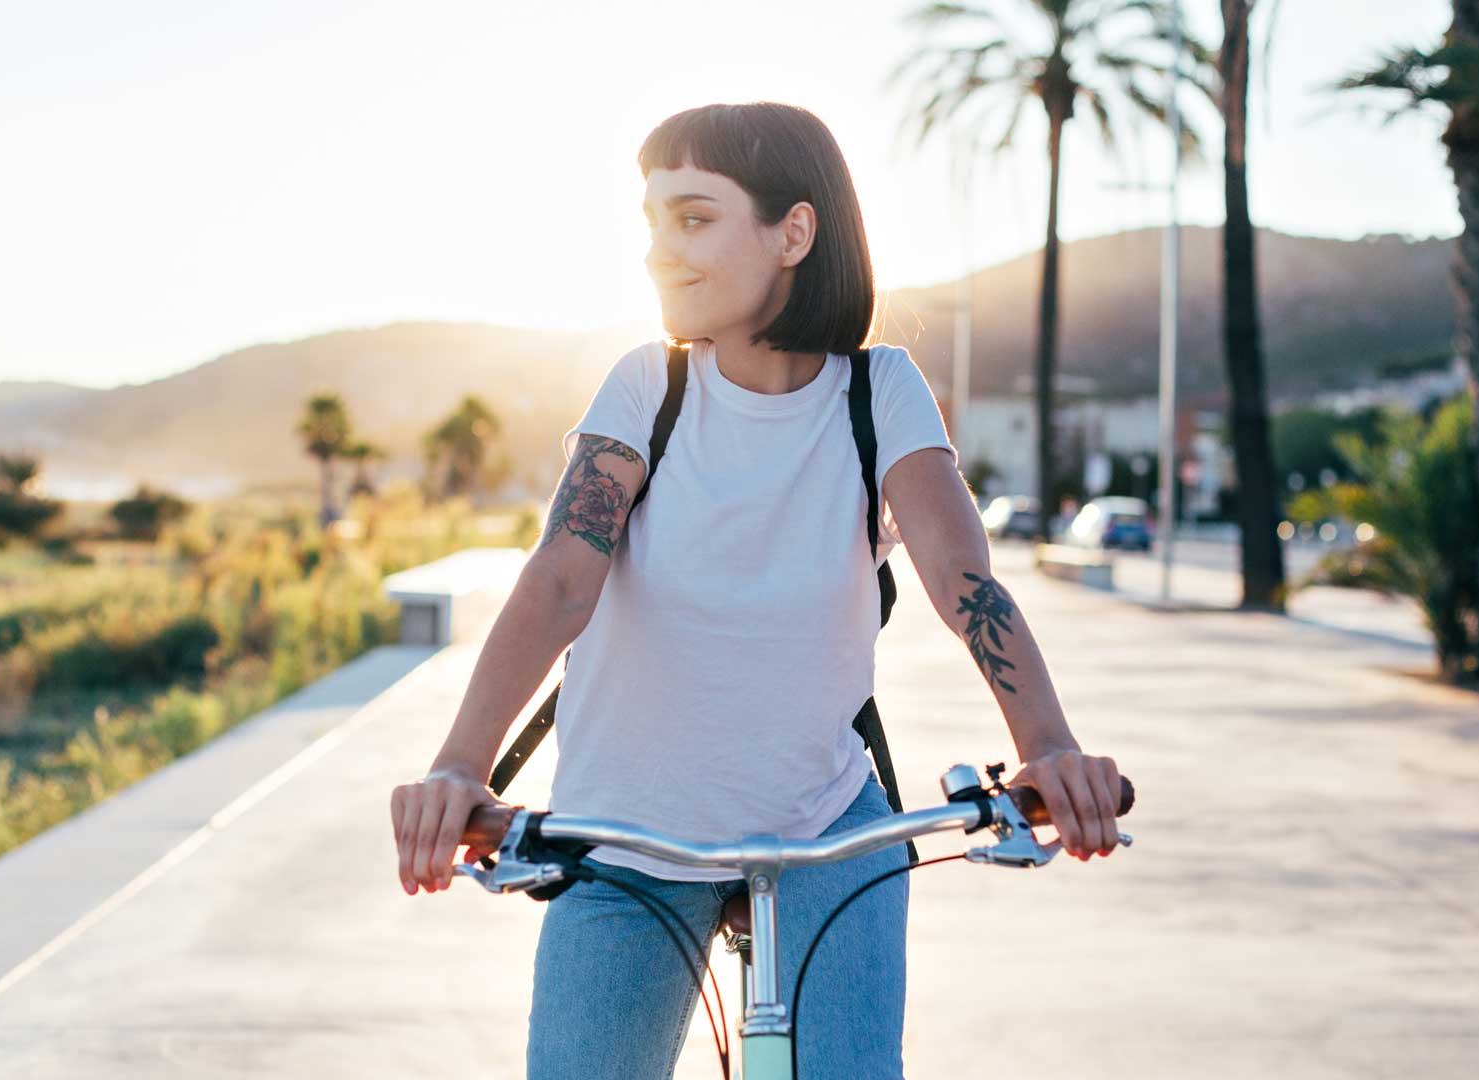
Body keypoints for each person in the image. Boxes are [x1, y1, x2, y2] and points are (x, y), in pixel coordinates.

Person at [389, 101, 1124, 1080]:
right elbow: (564, 575)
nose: (660, 249)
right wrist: (458, 770)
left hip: (824, 827)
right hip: (628, 837)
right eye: (651, 220)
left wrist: (1049, 750)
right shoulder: (649, 388)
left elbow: (964, 578)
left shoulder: (881, 393)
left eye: (693, 217)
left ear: (794, 232)